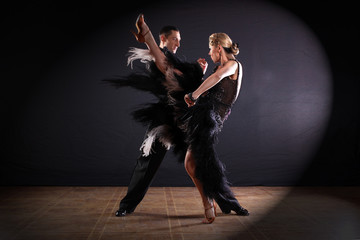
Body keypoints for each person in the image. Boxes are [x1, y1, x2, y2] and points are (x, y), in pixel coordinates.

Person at [108, 14, 249, 223]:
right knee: (155, 162)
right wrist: (147, 37)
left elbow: (203, 81)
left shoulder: (206, 65)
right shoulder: (162, 59)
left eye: (180, 39)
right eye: (175, 39)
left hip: (192, 115)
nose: (179, 42)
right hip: (171, 118)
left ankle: (226, 203)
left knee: (200, 162)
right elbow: (163, 64)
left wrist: (196, 77)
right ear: (163, 39)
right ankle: (127, 205)